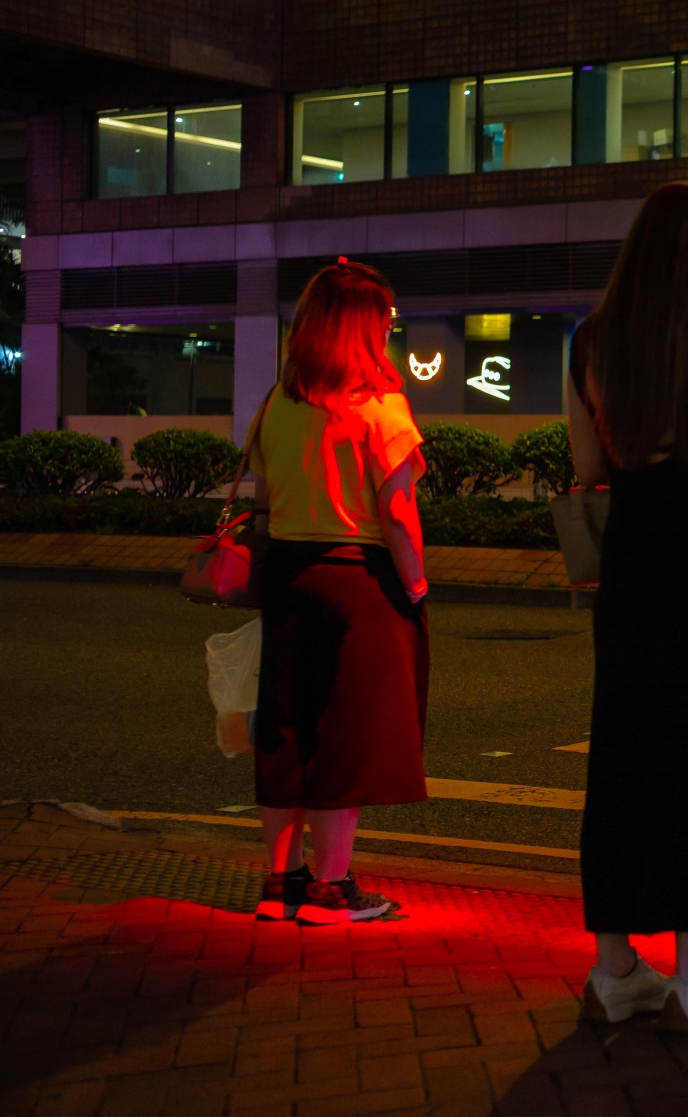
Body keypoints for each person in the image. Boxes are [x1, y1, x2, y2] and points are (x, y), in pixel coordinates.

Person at [566, 182, 688, 1035]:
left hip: (633, 565)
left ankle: (615, 970)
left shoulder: (593, 342)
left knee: (624, 755)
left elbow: (586, 466)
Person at [247, 259, 429, 926]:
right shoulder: (381, 406)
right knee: (345, 730)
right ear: (364, 330)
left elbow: (265, 499)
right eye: (383, 321)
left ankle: (280, 882)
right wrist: (415, 584)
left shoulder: (278, 404)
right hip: (359, 577)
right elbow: (399, 513)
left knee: (285, 726)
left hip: (288, 574)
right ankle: (331, 888)